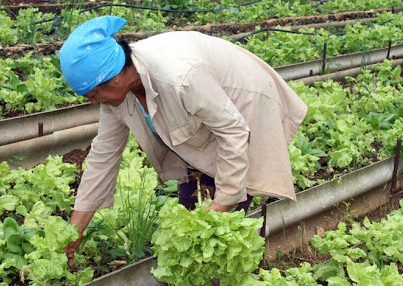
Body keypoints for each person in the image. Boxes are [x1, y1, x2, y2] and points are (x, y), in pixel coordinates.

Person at [59, 16, 307, 264]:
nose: (93, 102)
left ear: (114, 76)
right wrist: (76, 229)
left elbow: (234, 132)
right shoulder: (116, 95)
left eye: (93, 93)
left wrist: (222, 203)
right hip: (203, 120)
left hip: (247, 104)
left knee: (223, 224)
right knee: (192, 216)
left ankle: (224, 271)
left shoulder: (180, 77)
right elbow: (103, 157)